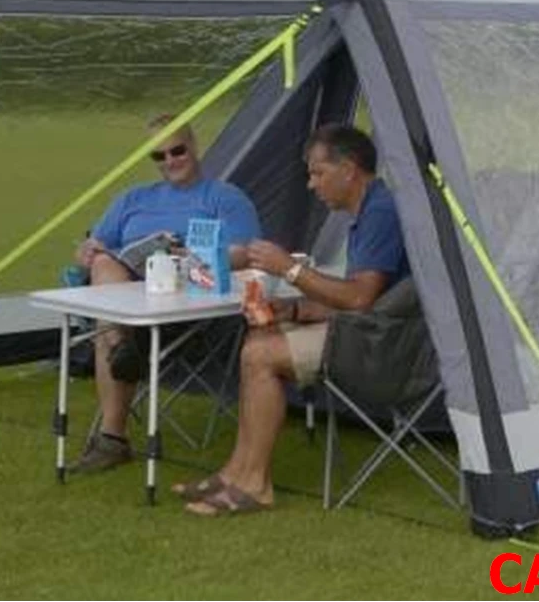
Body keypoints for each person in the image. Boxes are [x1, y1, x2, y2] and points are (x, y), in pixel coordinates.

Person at [174, 124, 409, 516]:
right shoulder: (371, 208)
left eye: (317, 173)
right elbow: (366, 298)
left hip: (380, 345)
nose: (311, 185)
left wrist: (289, 270)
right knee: (258, 339)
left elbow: (360, 298)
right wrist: (297, 310)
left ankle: (255, 485)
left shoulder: (380, 213)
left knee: (261, 355)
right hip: (368, 328)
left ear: (349, 170)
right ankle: (235, 473)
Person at [71, 114, 261, 472]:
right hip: (130, 304)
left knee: (107, 325)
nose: (170, 161)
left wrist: (195, 257)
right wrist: (86, 252)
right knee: (104, 268)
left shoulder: (225, 198)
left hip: (190, 311)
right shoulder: (132, 199)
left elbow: (246, 252)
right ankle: (122, 349)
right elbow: (91, 249)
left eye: (177, 151)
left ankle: (112, 434)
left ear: (194, 146)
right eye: (159, 156)